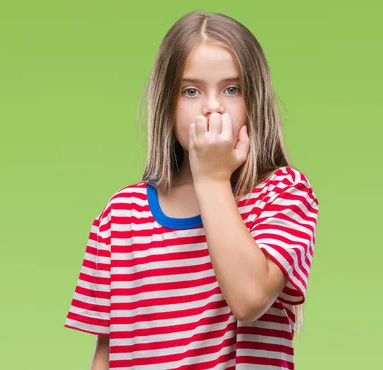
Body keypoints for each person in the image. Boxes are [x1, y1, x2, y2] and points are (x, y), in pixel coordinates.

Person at [64, 11, 319, 370]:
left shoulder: (282, 193)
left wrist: (212, 179)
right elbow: (106, 352)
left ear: (254, 102)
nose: (212, 106)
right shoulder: (121, 216)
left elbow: (249, 299)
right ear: (167, 106)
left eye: (232, 89)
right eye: (191, 90)